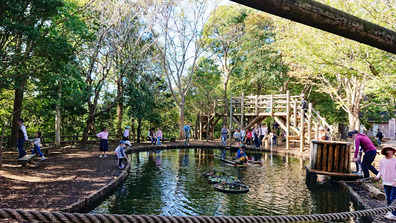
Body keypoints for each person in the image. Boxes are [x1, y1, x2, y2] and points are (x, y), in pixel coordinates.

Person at [374, 146, 396, 220]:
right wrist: (377, 177)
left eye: (390, 150)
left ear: (393, 152)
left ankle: (394, 214)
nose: (389, 152)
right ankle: (390, 210)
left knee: (393, 198)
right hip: (385, 182)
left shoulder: (395, 161)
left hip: (394, 182)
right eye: (387, 150)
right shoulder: (382, 161)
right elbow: (381, 170)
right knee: (388, 198)